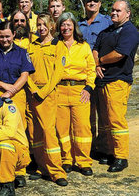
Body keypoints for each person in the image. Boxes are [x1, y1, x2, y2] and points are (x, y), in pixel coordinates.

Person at [0, 20, 35, 187]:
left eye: (7, 36)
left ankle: (19, 171)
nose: (4, 40)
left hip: (17, 94)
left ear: (14, 35)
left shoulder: (21, 52)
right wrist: (3, 87)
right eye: (1, 36)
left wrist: (11, 91)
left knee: (17, 132)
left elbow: (25, 75)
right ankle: (0, 166)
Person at [93, 0, 139, 172]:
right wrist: (97, 63)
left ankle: (121, 156)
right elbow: (95, 47)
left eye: (118, 11)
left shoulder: (130, 31)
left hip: (118, 81)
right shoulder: (106, 31)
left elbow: (120, 53)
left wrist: (101, 61)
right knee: (104, 120)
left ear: (127, 13)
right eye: (112, 10)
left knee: (116, 120)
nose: (114, 13)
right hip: (102, 81)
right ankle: (106, 151)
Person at [26, 13, 68, 186]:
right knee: (34, 132)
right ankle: (42, 167)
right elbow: (26, 70)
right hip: (31, 93)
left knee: (49, 133)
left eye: (44, 24)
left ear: (51, 25)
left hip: (48, 94)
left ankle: (56, 171)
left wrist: (43, 92)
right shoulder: (31, 45)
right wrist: (34, 89)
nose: (41, 27)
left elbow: (58, 73)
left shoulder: (59, 46)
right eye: (38, 24)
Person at [55, 12, 96, 176]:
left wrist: (89, 87)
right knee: (62, 128)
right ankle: (66, 159)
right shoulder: (55, 45)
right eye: (63, 24)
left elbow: (91, 69)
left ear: (74, 27)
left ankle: (84, 161)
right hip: (60, 90)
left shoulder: (83, 45)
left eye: (68, 24)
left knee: (82, 127)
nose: (66, 27)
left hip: (80, 91)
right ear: (59, 27)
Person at [78, 0, 112, 160]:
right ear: (84, 4)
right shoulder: (79, 25)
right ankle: (89, 147)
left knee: (104, 113)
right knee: (87, 114)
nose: (91, 3)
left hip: (103, 73)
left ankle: (105, 149)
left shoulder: (108, 21)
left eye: (95, 1)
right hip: (85, 76)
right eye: (88, 1)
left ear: (100, 3)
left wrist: (102, 63)